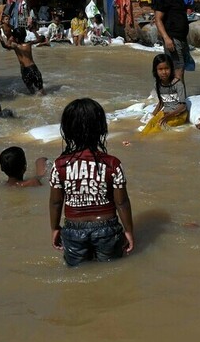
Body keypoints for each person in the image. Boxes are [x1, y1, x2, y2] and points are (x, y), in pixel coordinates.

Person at [48, 98, 135, 266]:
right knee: (112, 271)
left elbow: (56, 202)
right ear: (101, 129)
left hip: (73, 230)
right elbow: (122, 202)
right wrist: (129, 231)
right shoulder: (112, 164)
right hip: (107, 230)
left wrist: (55, 228)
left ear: (67, 130)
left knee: (76, 274)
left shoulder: (59, 166)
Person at [154, 0, 193, 82]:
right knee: (177, 69)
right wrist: (166, 38)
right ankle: (179, 99)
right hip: (172, 39)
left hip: (181, 39)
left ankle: (179, 96)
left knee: (180, 69)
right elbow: (158, 19)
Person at [141, 54, 188, 135]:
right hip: (165, 114)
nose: (164, 72)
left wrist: (170, 115)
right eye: (160, 69)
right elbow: (161, 103)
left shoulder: (178, 84)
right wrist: (152, 115)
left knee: (156, 129)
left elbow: (183, 106)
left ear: (171, 69)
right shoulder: (157, 84)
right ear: (156, 71)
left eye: (166, 68)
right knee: (148, 126)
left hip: (178, 115)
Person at [0, 26, 46, 95]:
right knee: (41, 91)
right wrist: (34, 31)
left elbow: (4, 45)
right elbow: (41, 39)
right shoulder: (29, 44)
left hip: (26, 71)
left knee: (32, 92)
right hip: (34, 69)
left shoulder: (15, 46)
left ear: (15, 38)